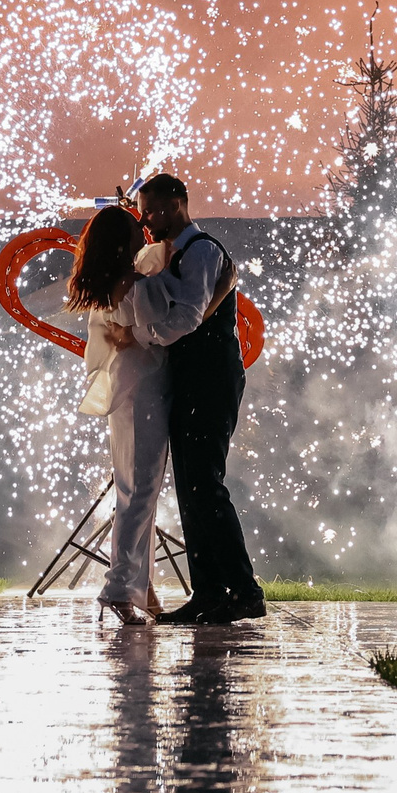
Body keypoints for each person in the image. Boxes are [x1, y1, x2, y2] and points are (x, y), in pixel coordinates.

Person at [110, 173, 265, 624]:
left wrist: (136, 333)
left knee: (206, 484)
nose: (148, 219)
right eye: (144, 211)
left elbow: (188, 318)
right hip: (195, 378)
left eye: (154, 209)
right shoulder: (179, 253)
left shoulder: (201, 252)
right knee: (193, 486)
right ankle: (210, 591)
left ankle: (244, 590)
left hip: (211, 378)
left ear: (179, 203)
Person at [65, 204, 171, 626]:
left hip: (125, 396)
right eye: (136, 230)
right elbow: (160, 332)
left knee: (133, 491)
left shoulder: (108, 288)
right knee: (141, 492)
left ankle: (138, 587)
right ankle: (120, 587)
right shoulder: (135, 286)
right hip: (145, 393)